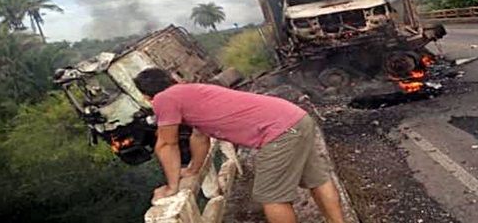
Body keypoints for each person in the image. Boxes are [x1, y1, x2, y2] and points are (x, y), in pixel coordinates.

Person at [133, 67, 345, 223]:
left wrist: (171, 188)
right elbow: (200, 136)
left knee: (272, 197)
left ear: (145, 95)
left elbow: (166, 144)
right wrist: (193, 169)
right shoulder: (190, 91)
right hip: (296, 119)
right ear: (171, 78)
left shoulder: (164, 99)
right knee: (317, 180)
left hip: (280, 132)